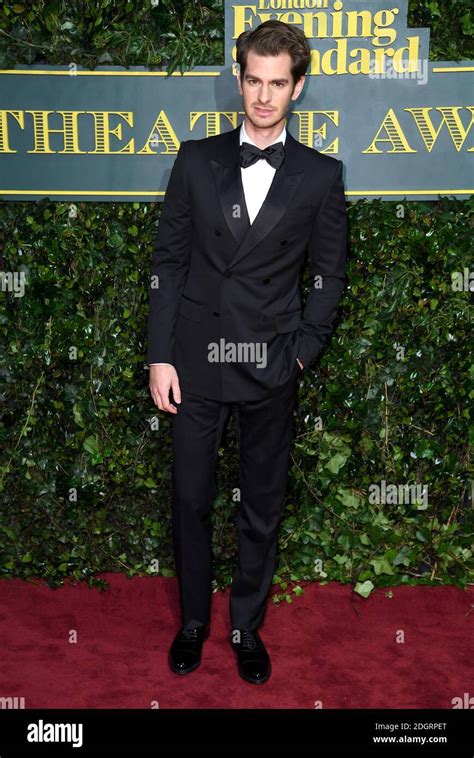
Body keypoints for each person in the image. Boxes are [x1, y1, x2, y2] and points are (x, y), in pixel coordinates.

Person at [148, 19, 348, 685]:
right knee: (191, 499)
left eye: (277, 84)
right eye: (253, 81)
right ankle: (194, 623)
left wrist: (300, 354)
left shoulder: (321, 176)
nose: (263, 97)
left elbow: (329, 275)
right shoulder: (195, 159)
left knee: (260, 507)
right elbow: (169, 263)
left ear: (297, 88)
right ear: (239, 81)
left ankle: (244, 626)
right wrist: (159, 357)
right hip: (196, 362)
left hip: (269, 367)